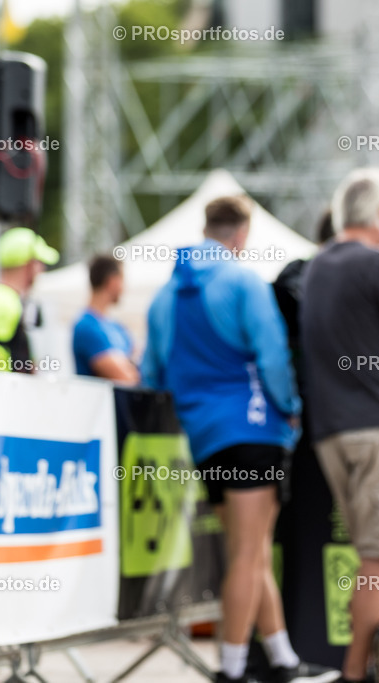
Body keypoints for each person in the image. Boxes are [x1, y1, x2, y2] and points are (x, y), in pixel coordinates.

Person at [141, 196, 332, 683]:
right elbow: (271, 357)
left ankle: (284, 659)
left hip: (204, 439)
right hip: (253, 429)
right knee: (248, 554)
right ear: (241, 235)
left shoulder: (165, 295)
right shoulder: (243, 280)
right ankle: (230, 670)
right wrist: (290, 410)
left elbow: (152, 372)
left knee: (251, 550)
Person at [301, 169, 379, 683]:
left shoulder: (316, 268)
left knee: (374, 554)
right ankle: (357, 672)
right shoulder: (377, 263)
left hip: (331, 429)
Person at [0, 227, 59, 372]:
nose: (41, 269)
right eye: (39, 262)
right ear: (29, 264)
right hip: (2, 391)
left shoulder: (2, 297)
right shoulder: (2, 300)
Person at [72, 255, 138, 383]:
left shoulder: (116, 326)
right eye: (122, 280)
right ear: (112, 281)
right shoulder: (86, 327)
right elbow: (126, 378)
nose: (124, 288)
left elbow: (142, 359)